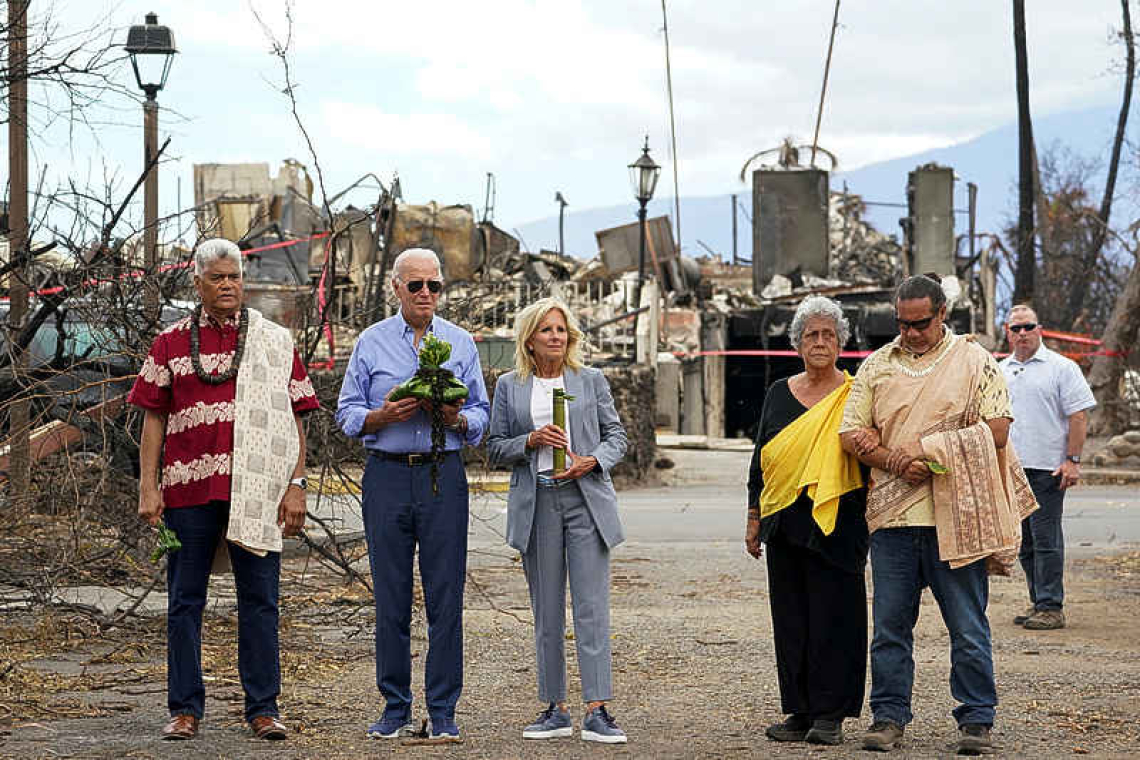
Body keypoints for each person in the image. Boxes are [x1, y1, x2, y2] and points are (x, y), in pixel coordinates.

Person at [129, 238, 319, 741]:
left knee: (260, 601)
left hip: (257, 491)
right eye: (218, 277)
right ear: (197, 283)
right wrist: (149, 487)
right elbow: (154, 418)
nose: (229, 285)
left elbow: (298, 419)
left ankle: (262, 709)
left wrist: (295, 485)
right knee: (184, 600)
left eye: (235, 276)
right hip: (188, 491)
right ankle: (185, 709)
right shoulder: (170, 342)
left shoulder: (274, 341)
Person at [839, 275, 1037, 755]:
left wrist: (924, 452)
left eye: (920, 323)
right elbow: (851, 432)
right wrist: (893, 462)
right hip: (893, 522)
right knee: (889, 628)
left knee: (968, 626)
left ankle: (976, 721)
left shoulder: (973, 361)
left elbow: (997, 430)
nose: (910, 333)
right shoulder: (878, 366)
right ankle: (888, 718)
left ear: (942, 313)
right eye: (903, 324)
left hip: (957, 514)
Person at [335, 248, 489, 742]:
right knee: (391, 597)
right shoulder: (371, 342)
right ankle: (395, 707)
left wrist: (458, 419)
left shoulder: (460, 343)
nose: (426, 294)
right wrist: (380, 418)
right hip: (387, 474)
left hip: (442, 474)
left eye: (434, 286)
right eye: (416, 285)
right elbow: (346, 413)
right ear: (396, 289)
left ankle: (442, 711)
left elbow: (483, 416)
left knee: (446, 597)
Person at [487, 297, 630, 744]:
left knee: (591, 608)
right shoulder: (510, 385)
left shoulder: (591, 380)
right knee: (547, 611)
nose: (556, 336)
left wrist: (592, 461)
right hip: (539, 504)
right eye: (547, 330)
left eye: (562, 330)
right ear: (529, 339)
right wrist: (528, 440)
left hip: (586, 501)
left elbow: (617, 437)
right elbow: (494, 448)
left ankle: (598, 709)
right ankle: (554, 708)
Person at [745, 295, 870, 747]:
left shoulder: (857, 394)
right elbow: (762, 458)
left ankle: (831, 714)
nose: (820, 341)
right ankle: (799, 710)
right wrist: (754, 515)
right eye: (812, 335)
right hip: (784, 522)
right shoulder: (779, 393)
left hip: (840, 523)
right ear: (798, 343)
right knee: (792, 618)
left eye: (829, 335)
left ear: (842, 343)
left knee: (836, 617)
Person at [1000, 305, 1095, 631]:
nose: (1022, 333)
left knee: (1046, 540)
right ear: (1007, 332)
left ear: (1039, 329)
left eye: (1028, 327)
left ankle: (1052, 606)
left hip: (1048, 469)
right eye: (1016, 329)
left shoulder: (1061, 368)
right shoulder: (1001, 370)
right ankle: (1038, 600)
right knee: (1024, 543)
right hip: (1013, 470)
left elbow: (1079, 416)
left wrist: (1073, 460)